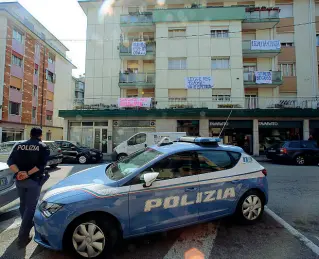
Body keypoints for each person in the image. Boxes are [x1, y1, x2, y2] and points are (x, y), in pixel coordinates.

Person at [7, 127, 50, 247]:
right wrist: (27, 173)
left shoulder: (19, 145)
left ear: (30, 134)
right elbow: (41, 165)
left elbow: (10, 162)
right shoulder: (42, 146)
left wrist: (18, 173)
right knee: (30, 208)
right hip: (33, 181)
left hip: (19, 181)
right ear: (40, 135)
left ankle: (27, 223)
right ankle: (22, 237)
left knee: (23, 204)